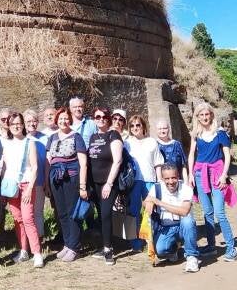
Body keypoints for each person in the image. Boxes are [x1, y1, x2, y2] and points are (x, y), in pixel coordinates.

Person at [188, 102, 237, 261]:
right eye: (201, 115)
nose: (204, 117)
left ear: (211, 115)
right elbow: (191, 154)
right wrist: (190, 174)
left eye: (206, 114)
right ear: (197, 117)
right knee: (207, 212)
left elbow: (227, 154)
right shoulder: (196, 134)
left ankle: (231, 248)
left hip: (217, 174)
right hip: (200, 174)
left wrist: (224, 175)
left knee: (219, 213)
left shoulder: (220, 133)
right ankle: (211, 246)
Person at [46, 107, 89, 262]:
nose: (63, 121)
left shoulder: (76, 136)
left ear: (70, 120)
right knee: (61, 212)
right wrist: (46, 183)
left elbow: (83, 163)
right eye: (60, 118)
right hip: (55, 179)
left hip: (72, 178)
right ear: (56, 120)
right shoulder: (51, 138)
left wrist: (82, 185)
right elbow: (48, 162)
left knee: (73, 212)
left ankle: (75, 247)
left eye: (66, 118)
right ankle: (67, 243)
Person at [1, 112, 43, 268]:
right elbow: (5, 168)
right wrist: (4, 189)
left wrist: (29, 188)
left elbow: (35, 167)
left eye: (19, 123)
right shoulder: (6, 144)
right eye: (13, 124)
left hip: (26, 185)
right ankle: (23, 250)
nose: (16, 126)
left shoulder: (29, 142)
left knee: (28, 218)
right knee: (18, 220)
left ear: (23, 125)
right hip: (11, 187)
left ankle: (37, 253)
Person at [143, 163, 201, 273]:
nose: (171, 182)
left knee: (188, 221)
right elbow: (146, 201)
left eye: (173, 178)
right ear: (163, 179)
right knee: (160, 251)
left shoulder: (186, 189)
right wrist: (148, 203)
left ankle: (192, 256)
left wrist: (159, 203)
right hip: (166, 227)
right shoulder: (156, 188)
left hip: (183, 225)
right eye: (167, 178)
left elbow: (184, 211)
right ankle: (174, 250)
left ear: (178, 176)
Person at [86, 107, 123, 266]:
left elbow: (117, 161)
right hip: (94, 183)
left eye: (103, 116)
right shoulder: (93, 137)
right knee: (101, 215)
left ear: (108, 119)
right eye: (97, 117)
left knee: (106, 214)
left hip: (109, 183)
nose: (100, 119)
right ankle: (105, 244)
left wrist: (109, 183)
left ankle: (108, 249)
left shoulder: (113, 135)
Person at [125, 113, 164, 250]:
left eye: (138, 125)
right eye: (132, 125)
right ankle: (134, 241)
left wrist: (159, 182)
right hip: (134, 181)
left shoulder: (151, 142)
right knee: (133, 211)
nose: (135, 128)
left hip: (149, 180)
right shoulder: (127, 143)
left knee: (150, 211)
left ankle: (151, 238)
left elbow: (158, 163)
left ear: (143, 126)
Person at [24, 109, 49, 239]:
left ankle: (39, 238)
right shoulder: (20, 138)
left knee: (38, 211)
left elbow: (47, 162)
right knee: (27, 212)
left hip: (39, 180)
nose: (32, 123)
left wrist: (46, 180)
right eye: (28, 121)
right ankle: (27, 239)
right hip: (24, 182)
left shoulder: (44, 138)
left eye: (34, 121)